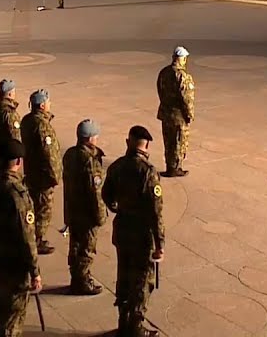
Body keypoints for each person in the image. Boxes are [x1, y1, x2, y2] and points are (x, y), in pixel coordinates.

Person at [102, 126, 165, 337]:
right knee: (141, 280)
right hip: (141, 234)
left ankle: (123, 321)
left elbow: (106, 194)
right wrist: (160, 244)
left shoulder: (117, 166)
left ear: (128, 142)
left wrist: (116, 208)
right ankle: (136, 328)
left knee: (124, 274)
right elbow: (155, 212)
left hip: (122, 229)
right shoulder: (148, 172)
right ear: (146, 145)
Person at [0, 139, 41, 336]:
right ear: (19, 162)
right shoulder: (17, 193)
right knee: (12, 315)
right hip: (14, 263)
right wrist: (35, 270)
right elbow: (26, 236)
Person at [62, 119, 106, 295]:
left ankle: (76, 278)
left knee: (75, 244)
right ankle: (82, 280)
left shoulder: (70, 154)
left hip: (73, 208)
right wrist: (101, 215)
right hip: (86, 212)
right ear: (91, 138)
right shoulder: (90, 160)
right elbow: (94, 191)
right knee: (87, 248)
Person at [21, 89, 61, 255]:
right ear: (43, 105)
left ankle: (33, 237)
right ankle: (37, 239)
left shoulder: (27, 120)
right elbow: (49, 153)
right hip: (42, 174)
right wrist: (55, 176)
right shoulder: (42, 125)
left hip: (31, 170)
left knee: (34, 205)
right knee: (43, 208)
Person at [155, 47, 195, 178]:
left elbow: (160, 91)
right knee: (179, 141)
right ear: (182, 59)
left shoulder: (164, 72)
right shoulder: (182, 76)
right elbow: (186, 98)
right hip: (179, 116)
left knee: (168, 141)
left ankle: (169, 166)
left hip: (166, 113)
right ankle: (176, 168)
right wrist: (189, 114)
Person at [0, 79, 21, 168]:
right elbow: (15, 135)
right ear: (10, 94)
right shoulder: (9, 112)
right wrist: (18, 153)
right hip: (8, 155)